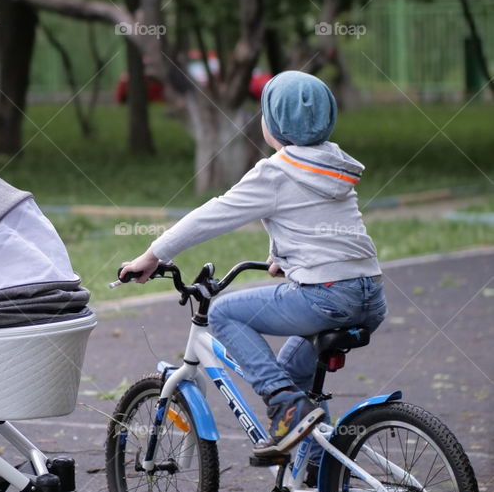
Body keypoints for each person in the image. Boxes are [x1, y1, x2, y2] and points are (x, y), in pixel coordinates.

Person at [119, 70, 387, 462]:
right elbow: (316, 224)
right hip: (370, 295)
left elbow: (213, 215)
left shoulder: (276, 171)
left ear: (272, 124)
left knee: (226, 312)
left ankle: (285, 407)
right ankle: (320, 477)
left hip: (327, 296)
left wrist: (153, 255)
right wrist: (284, 258)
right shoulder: (333, 167)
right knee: (292, 370)